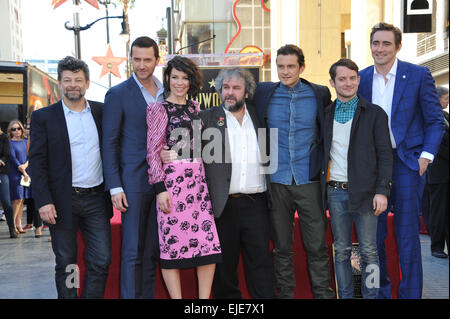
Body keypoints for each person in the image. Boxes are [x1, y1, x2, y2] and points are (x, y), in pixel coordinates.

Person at [358, 22, 445, 299]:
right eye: (375, 43)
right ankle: (379, 294)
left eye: (386, 43)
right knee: (373, 241)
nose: (380, 49)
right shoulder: (361, 78)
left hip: (408, 164)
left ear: (397, 47)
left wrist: (426, 157)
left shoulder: (418, 75)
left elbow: (435, 121)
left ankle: (410, 295)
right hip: (373, 170)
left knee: (408, 239)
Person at [183, 67, 275, 298]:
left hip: (257, 204)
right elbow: (185, 153)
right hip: (223, 206)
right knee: (224, 270)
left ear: (246, 92)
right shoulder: (206, 118)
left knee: (261, 265)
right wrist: (168, 154)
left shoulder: (260, 118)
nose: (230, 93)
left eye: (236, 88)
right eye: (226, 88)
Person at [253, 44, 334, 299]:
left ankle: (323, 294)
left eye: (290, 66)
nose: (285, 72)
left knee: (317, 246)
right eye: (280, 66)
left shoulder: (319, 94)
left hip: (308, 179)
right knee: (281, 248)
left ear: (302, 67)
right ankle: (285, 295)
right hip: (275, 180)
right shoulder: (264, 92)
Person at [29, 56, 112, 298]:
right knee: (67, 261)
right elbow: (37, 162)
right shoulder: (44, 117)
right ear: (59, 84)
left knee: (102, 259)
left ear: (87, 83)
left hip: (96, 198)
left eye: (78, 80)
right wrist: (43, 200)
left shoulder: (101, 112)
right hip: (62, 201)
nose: (73, 85)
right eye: (67, 80)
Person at [147, 56, 222, 299]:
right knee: (172, 248)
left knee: (207, 248)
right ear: (167, 79)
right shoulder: (158, 109)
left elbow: (201, 145)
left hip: (198, 186)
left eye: (185, 77)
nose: (180, 82)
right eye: (175, 77)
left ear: (192, 81)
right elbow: (151, 151)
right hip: (172, 186)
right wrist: (160, 188)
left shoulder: (195, 108)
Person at [321, 58, 393, 299]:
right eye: (342, 79)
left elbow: (385, 155)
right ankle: (346, 295)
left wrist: (382, 190)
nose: (348, 83)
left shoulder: (374, 113)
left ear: (359, 80)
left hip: (367, 193)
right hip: (336, 192)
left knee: (370, 251)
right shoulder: (325, 114)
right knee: (341, 250)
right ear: (332, 82)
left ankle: (371, 296)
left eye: (352, 78)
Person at [102, 36, 163, 299]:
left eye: (147, 59)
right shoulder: (117, 94)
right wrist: (115, 185)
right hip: (132, 183)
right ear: (131, 60)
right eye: (136, 59)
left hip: (163, 185)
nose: (141, 65)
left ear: (157, 60)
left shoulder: (167, 91)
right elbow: (109, 143)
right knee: (131, 252)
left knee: (151, 251)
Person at [422, 86, 448, 259]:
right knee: (438, 211)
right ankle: (437, 246)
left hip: (447, 172)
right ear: (437, 99)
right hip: (438, 173)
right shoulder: (430, 118)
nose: (448, 101)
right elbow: (436, 144)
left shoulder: (446, 116)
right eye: (446, 98)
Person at [7, 120, 30, 234]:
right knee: (17, 199)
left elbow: (30, 156)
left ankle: (19, 224)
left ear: (22, 129)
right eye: (13, 129)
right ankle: (12, 225)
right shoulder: (9, 143)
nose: (16, 131)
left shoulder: (26, 141)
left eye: (18, 128)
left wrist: (26, 166)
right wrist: (24, 171)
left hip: (25, 172)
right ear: (10, 131)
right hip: (15, 174)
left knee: (22, 200)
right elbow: (13, 159)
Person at [0, 128, 17, 238]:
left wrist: (1, 161)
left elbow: (6, 154)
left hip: (1, 172)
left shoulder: (3, 137)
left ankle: (12, 227)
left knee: (6, 202)